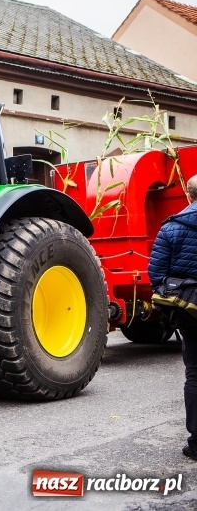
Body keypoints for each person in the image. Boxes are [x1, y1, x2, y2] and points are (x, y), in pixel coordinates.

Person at [149, 174, 197, 461]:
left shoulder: (171, 228)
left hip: (190, 312)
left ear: (187, 195)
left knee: (195, 373)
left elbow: (156, 275)